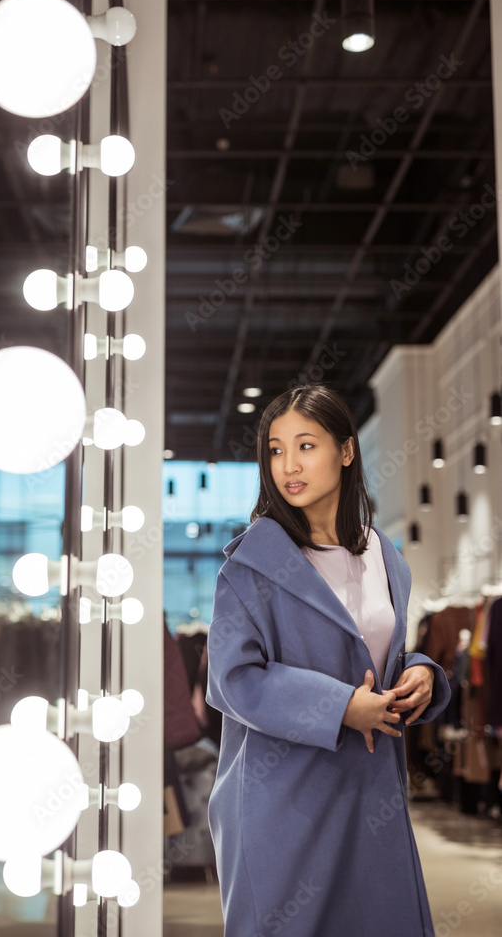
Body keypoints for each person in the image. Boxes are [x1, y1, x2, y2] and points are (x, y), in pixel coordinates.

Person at [206, 385, 450, 937]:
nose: (288, 465)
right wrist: (341, 706)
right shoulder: (253, 564)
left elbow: (376, 650)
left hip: (372, 791)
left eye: (306, 445)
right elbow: (232, 679)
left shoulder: (385, 557)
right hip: (285, 800)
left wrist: (421, 674)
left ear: (346, 451)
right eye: (274, 449)